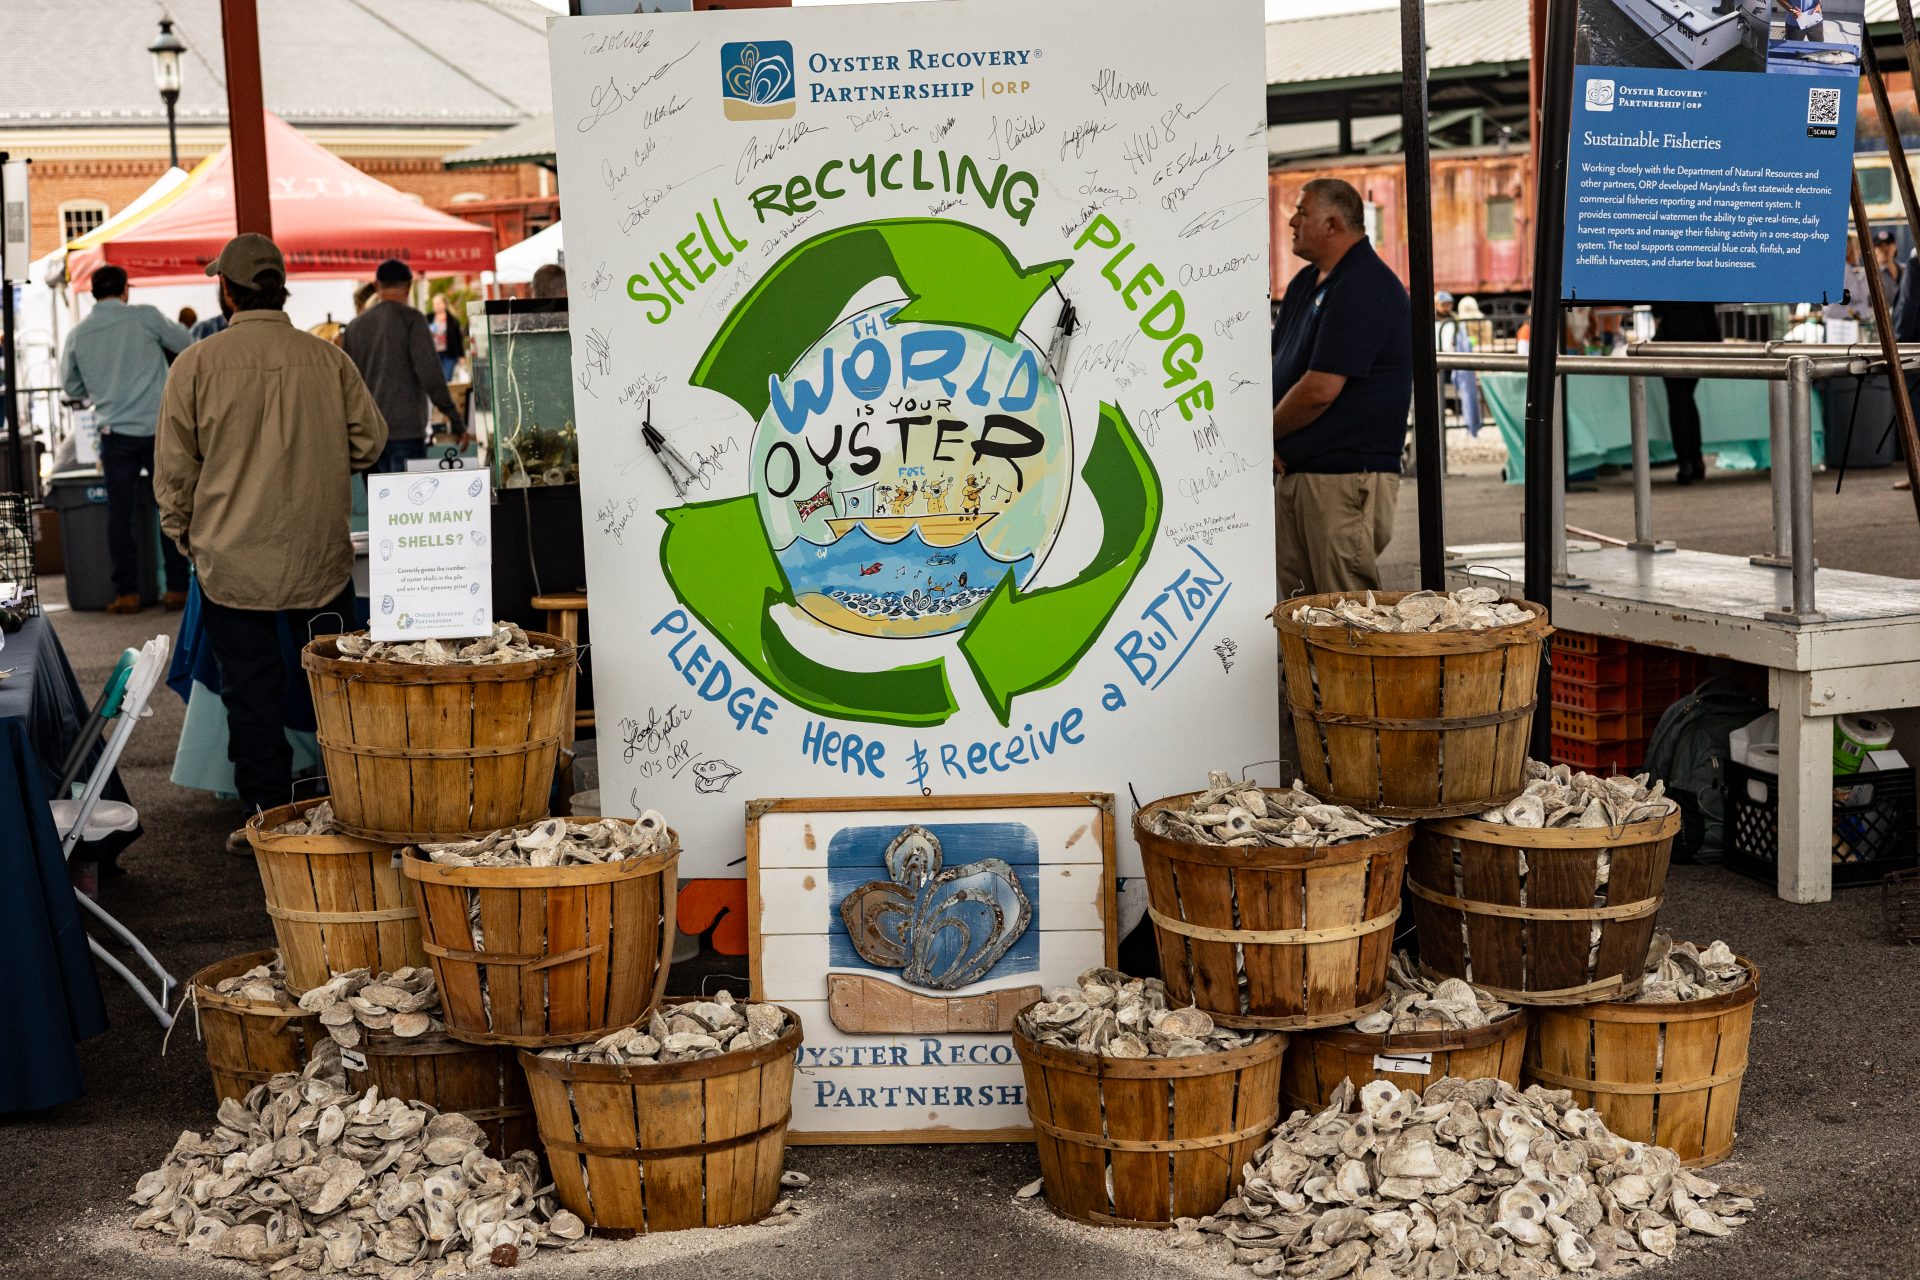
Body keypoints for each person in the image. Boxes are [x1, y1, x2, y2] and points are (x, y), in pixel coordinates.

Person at [153, 234, 388, 849]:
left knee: (250, 696)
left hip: (232, 560)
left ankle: (266, 823)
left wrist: (185, 538)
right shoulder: (328, 359)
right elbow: (370, 442)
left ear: (225, 290)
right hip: (321, 557)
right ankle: (349, 808)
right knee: (335, 687)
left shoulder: (196, 364)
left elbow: (174, 471)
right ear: (281, 287)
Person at [1270, 178, 1411, 597]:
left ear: (1331, 225)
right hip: (1300, 472)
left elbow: (1320, 389)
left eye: (1302, 212)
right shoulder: (1304, 285)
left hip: (1345, 478)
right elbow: (1281, 367)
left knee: (1347, 612)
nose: (1292, 221)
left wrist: (1262, 436)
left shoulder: (1365, 285)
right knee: (1302, 613)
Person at [60, 265, 194, 613]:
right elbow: (186, 343)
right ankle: (177, 589)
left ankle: (127, 594)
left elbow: (71, 386)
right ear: (125, 291)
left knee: (119, 515)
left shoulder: (78, 334)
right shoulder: (146, 317)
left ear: (93, 294)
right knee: (170, 506)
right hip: (156, 430)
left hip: (113, 434)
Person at [341, 259, 463, 472]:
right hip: (406, 429)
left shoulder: (354, 327)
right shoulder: (413, 319)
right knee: (409, 503)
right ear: (408, 286)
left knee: (379, 503)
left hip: (368, 434)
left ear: (377, 286)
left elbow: (347, 384)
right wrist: (454, 418)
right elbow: (430, 373)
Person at [1649, 302, 1720, 486]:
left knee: (1678, 401)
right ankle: (1696, 460)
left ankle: (1685, 462)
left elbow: (1658, 306)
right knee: (1687, 399)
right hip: (1700, 334)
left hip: (1672, 334)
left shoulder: (1665, 272)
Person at [428, 292, 464, 383]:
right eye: (435, 304)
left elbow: (458, 339)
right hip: (434, 354)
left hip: (449, 354)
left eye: (439, 303)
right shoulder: (428, 318)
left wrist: (461, 356)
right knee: (437, 379)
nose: (437, 306)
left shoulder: (452, 320)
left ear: (445, 304)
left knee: (446, 378)